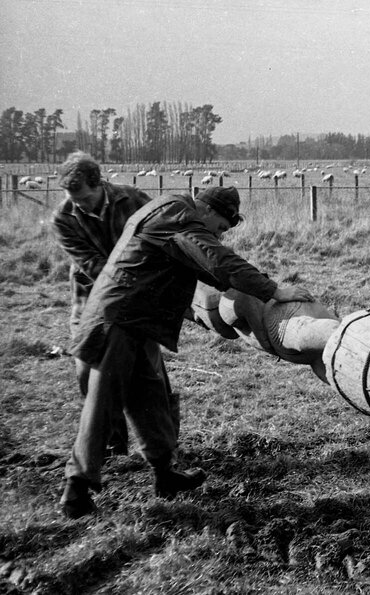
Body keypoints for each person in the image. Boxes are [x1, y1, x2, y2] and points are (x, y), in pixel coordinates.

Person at [59, 185, 314, 519]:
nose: (219, 235)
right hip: (118, 318)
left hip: (138, 319)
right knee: (104, 400)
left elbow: (205, 267)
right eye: (220, 228)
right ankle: (76, 487)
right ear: (207, 210)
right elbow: (215, 259)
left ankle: (165, 474)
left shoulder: (172, 212)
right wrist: (273, 290)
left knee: (151, 396)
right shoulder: (178, 216)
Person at [52, 151, 159, 455]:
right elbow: (90, 264)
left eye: (84, 198)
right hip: (89, 300)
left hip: (138, 302)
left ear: (98, 184)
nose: (78, 205)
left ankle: (161, 448)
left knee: (147, 370)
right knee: (87, 368)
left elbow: (162, 235)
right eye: (72, 199)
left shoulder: (133, 200)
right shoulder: (63, 217)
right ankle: (113, 445)